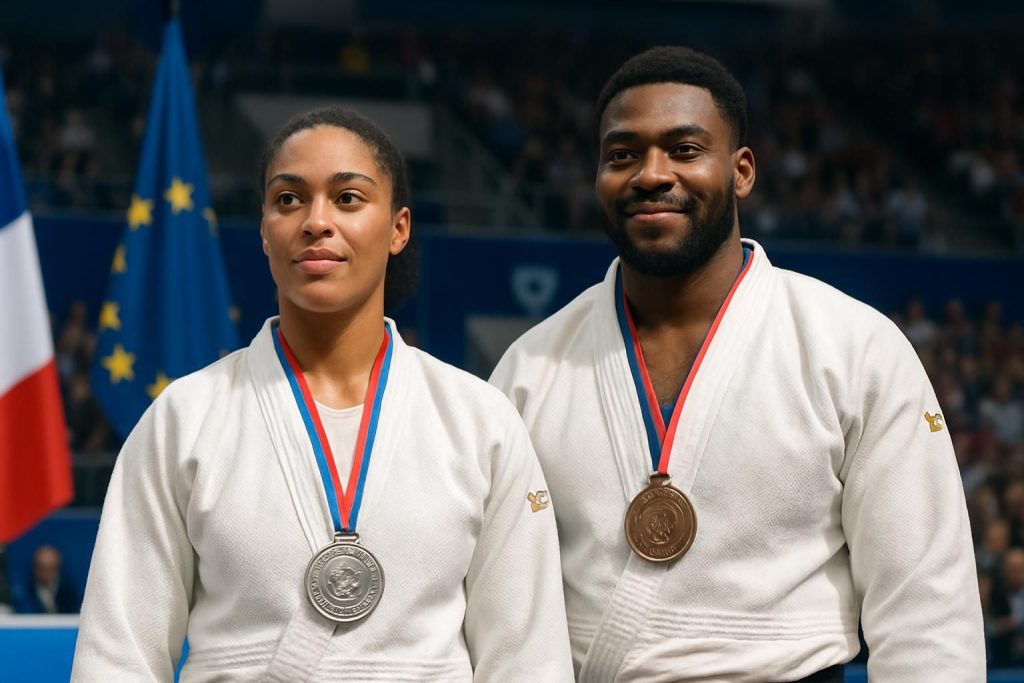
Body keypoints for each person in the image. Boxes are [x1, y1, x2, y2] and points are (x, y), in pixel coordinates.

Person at [490, 46, 984, 681]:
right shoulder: (531, 367)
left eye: (685, 149)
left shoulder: (853, 347)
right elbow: (504, 620)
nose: (651, 174)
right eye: (622, 155)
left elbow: (928, 611)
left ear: (742, 170)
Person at [73, 106, 573, 681]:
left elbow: (527, 659)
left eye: (349, 198)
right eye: (288, 199)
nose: (315, 221)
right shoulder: (185, 418)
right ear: (264, 229)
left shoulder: (478, 420)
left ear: (398, 228)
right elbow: (118, 656)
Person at [11, 545, 81, 614]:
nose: (47, 574)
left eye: (51, 569)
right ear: (35, 569)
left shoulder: (68, 592)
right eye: (43, 569)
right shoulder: (24, 592)